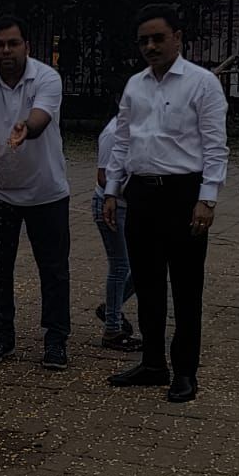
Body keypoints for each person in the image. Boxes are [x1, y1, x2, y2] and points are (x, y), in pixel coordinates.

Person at [104, 4, 229, 403]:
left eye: (158, 38)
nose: (151, 46)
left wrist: (207, 198)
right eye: (144, 40)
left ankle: (185, 372)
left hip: (183, 194)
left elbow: (215, 146)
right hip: (141, 194)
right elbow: (122, 140)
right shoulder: (135, 85)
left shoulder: (202, 83)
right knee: (148, 284)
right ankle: (153, 363)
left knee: (187, 288)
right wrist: (112, 190)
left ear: (178, 37)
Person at [0, 14, 71, 370]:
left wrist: (27, 126)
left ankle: (55, 339)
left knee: (54, 270)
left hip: (47, 193)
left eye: (13, 43)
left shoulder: (47, 77)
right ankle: (2, 335)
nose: (6, 50)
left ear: (27, 46)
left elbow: (41, 117)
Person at [92, 112, 138, 351]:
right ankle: (112, 328)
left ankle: (112, 308)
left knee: (144, 265)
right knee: (120, 265)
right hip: (111, 206)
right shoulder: (113, 133)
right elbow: (103, 177)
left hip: (131, 207)